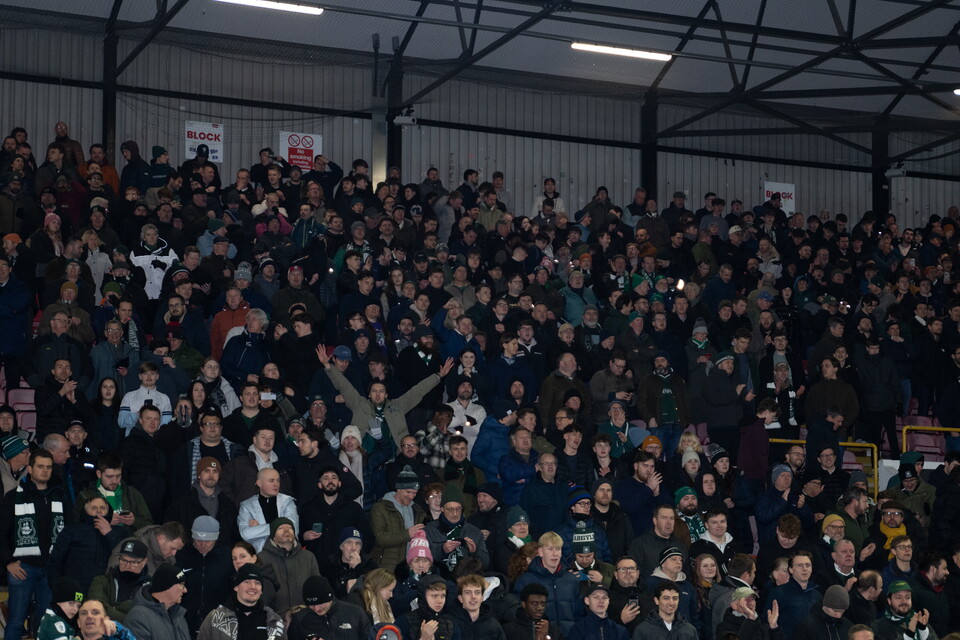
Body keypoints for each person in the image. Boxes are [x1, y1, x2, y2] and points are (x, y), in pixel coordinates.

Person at [0, 449, 65, 640]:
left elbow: (68, 533)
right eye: (40, 466)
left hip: (51, 569)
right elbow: (1, 533)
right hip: (22, 568)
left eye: (49, 467)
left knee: (45, 622)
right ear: (29, 469)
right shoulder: (13, 496)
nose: (45, 471)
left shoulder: (60, 495)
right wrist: (8, 562)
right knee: (15, 621)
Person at [513, 531, 583, 635]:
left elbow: (580, 613)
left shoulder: (572, 580)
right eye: (550, 549)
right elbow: (518, 614)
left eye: (558, 549)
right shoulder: (525, 580)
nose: (555, 554)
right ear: (540, 552)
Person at [175, 516, 233, 637]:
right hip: (185, 620)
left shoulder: (227, 556)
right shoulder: (182, 554)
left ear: (216, 539)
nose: (202, 545)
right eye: (198, 540)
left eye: (207, 541)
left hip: (218, 621)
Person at [197, 564, 285, 640]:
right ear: (236, 587)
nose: (252, 587)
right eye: (247, 582)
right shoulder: (215, 618)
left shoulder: (274, 621)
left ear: (261, 590)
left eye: (257, 583)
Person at [371, 465, 428, 569]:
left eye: (414, 493)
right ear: (398, 488)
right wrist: (407, 534)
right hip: (387, 566)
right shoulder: (380, 508)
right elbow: (380, 538)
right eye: (408, 492)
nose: (411, 496)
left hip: (411, 567)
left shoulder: (417, 510)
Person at [88, 539, 151, 622]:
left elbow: (151, 617)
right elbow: (98, 609)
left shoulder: (151, 588)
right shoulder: (102, 581)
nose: (127, 566)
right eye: (123, 560)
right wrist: (132, 620)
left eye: (133, 562)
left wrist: (117, 608)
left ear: (144, 562)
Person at [124, 563, 191, 640]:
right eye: (182, 585)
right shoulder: (138, 617)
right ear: (167, 586)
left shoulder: (179, 616)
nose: (185, 590)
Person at [237, 468, 298, 552]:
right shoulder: (247, 506)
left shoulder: (287, 501)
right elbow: (245, 534)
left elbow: (293, 530)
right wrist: (280, 527)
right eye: (271, 481)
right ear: (259, 483)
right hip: (260, 554)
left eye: (278, 480)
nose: (276, 484)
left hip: (286, 553)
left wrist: (258, 528)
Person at [764, 551, 821, 640]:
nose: (805, 569)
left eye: (808, 565)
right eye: (799, 565)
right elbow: (766, 623)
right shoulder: (778, 593)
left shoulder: (817, 595)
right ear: (790, 569)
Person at [871, 580, 937, 640]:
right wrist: (909, 635)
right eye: (898, 598)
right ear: (889, 601)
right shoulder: (878, 627)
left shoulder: (920, 621)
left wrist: (922, 630)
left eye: (907, 597)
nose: (904, 601)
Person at [634, 580, 699, 639]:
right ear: (657, 600)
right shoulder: (643, 631)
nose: (671, 603)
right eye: (666, 598)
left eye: (675, 598)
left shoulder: (689, 630)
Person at [450, 573, 507, 640]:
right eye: (468, 592)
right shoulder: (449, 623)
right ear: (460, 598)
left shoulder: (493, 625)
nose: (473, 596)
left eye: (477, 592)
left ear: (482, 597)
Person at [715, 587, 783, 640]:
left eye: (752, 599)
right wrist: (750, 620)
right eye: (746, 599)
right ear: (734, 605)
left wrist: (774, 628)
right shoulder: (724, 628)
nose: (750, 603)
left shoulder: (763, 626)